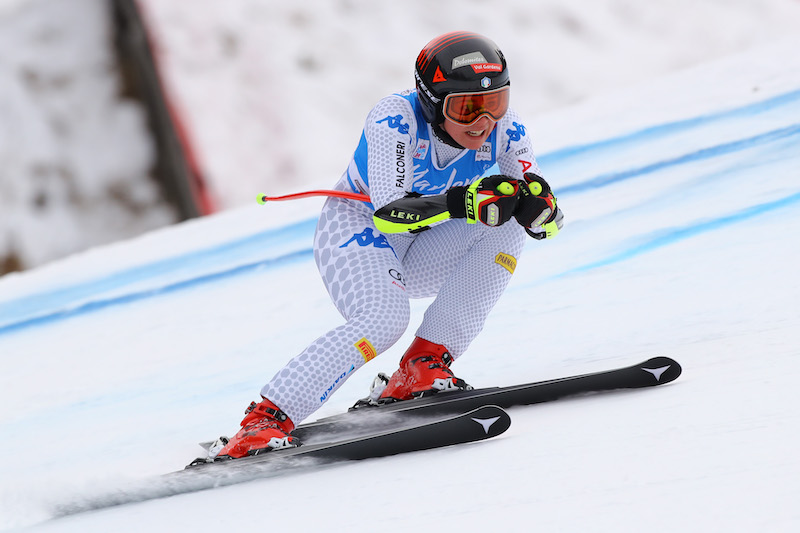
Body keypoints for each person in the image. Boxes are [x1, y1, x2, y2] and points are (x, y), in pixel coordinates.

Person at [215, 31, 564, 459]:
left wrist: (540, 213)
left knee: (507, 221)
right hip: (357, 233)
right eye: (466, 107)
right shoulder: (395, 118)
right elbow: (388, 211)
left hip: (422, 246)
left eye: (495, 103)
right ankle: (264, 420)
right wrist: (465, 201)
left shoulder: (507, 129)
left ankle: (422, 366)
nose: (483, 121)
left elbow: (537, 199)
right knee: (383, 319)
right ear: (433, 102)